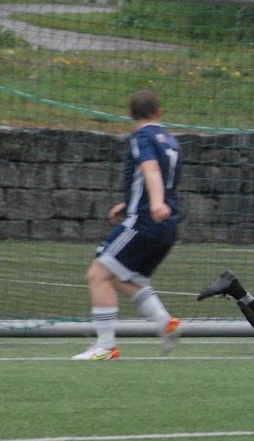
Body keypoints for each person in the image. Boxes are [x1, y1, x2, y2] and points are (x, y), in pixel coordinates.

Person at [73, 90, 183, 360]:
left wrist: (154, 203)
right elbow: (163, 177)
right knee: (123, 277)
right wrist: (130, 203)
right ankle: (164, 322)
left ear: (131, 115)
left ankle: (106, 346)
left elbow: (151, 170)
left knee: (98, 274)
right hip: (167, 225)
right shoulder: (170, 140)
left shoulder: (142, 137)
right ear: (160, 112)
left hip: (145, 221)